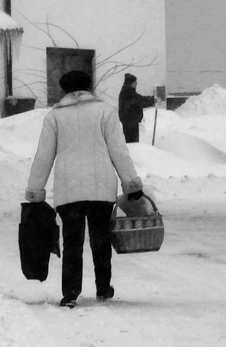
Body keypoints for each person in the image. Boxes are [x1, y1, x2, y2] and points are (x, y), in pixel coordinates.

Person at [26, 70, 145, 308]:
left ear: (64, 90)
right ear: (89, 87)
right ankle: (103, 288)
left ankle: (70, 292)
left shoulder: (54, 117)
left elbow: (43, 156)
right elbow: (118, 151)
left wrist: (35, 190)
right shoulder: (105, 112)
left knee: (72, 242)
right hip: (101, 187)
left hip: (69, 189)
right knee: (100, 239)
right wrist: (131, 184)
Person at [118, 73, 157, 143]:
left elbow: (138, 99)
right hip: (130, 122)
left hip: (130, 121)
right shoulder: (128, 93)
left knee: (131, 141)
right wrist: (153, 100)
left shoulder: (127, 91)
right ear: (130, 83)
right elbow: (140, 100)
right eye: (135, 83)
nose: (136, 84)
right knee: (132, 143)